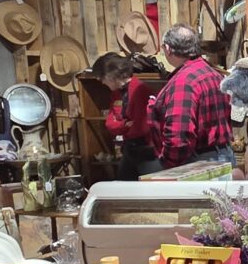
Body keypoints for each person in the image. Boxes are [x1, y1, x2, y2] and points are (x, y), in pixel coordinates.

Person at [149, 24, 233, 169]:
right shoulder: (214, 74)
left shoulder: (183, 82)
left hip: (200, 163)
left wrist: (167, 164)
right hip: (223, 155)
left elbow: (178, 138)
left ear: (168, 49)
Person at [90, 52, 161, 180]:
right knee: (123, 184)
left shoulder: (140, 90)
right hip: (129, 148)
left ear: (111, 75)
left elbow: (142, 127)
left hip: (147, 151)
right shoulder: (116, 94)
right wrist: (125, 125)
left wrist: (123, 126)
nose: (102, 83)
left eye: (102, 78)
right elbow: (110, 124)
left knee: (150, 186)